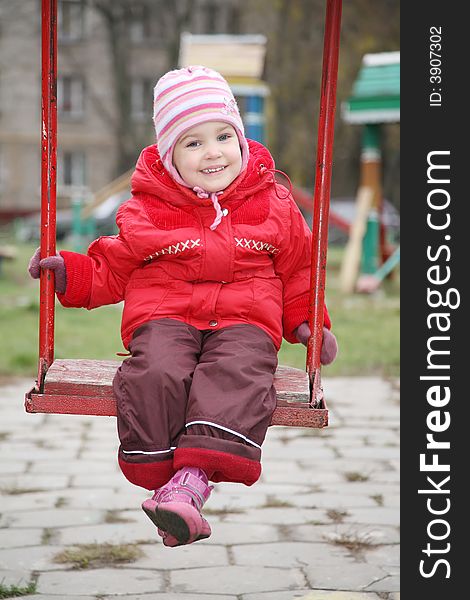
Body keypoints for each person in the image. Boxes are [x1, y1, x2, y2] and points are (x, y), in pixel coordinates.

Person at [28, 65, 338, 547]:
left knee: (237, 371)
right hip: (165, 315)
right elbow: (115, 267)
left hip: (245, 319)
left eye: (222, 136)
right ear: (169, 157)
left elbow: (298, 269)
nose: (213, 152)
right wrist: (72, 274)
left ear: (241, 138)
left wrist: (306, 323)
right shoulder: (147, 209)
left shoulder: (273, 203)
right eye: (192, 143)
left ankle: (189, 483)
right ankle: (171, 489)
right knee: (156, 371)